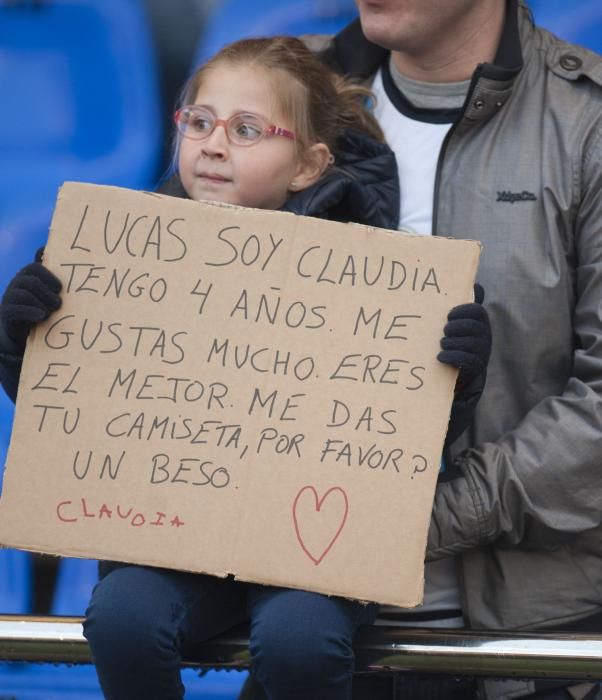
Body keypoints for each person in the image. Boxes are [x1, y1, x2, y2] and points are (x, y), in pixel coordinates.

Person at [0, 37, 490, 699]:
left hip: (315, 554)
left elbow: (405, 438)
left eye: (248, 129)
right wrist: (21, 332)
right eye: (198, 122)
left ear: (308, 165)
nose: (213, 144)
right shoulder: (115, 257)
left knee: (300, 638)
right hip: (163, 540)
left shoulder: (378, 275)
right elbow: (62, 412)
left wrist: (459, 370)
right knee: (120, 618)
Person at [275, 1, 601, 699]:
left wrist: (422, 520)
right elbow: (175, 335)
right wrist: (36, 343)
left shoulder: (588, 124)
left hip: (520, 643)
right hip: (296, 622)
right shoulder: (276, 85)